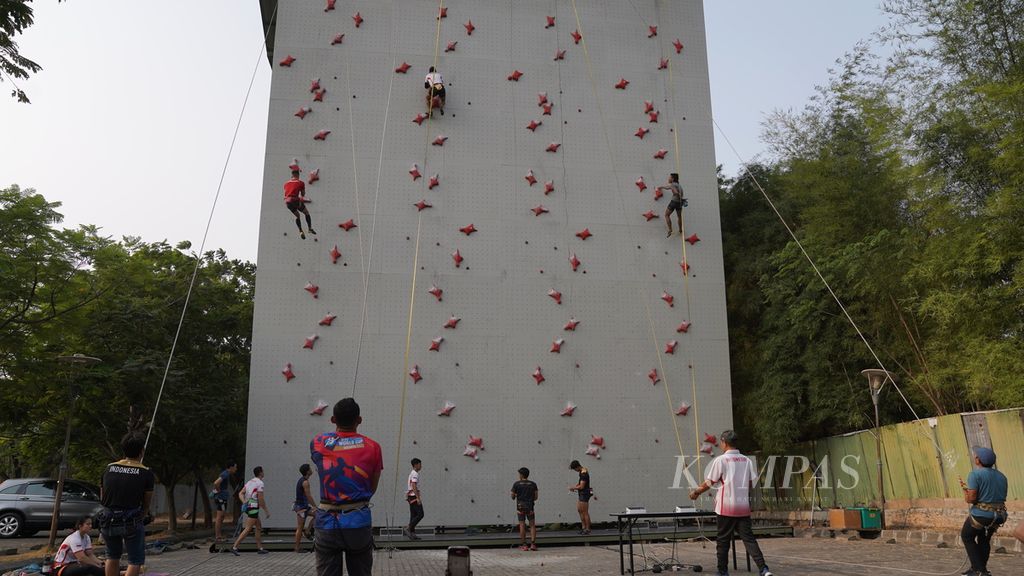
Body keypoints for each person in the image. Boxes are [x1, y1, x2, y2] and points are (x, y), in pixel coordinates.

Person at [310, 398, 383, 576]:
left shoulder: (319, 442)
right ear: (359, 420)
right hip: (358, 520)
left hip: (327, 521)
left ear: (333, 419)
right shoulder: (373, 447)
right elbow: (372, 487)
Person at [689, 430, 773, 576]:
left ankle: (723, 571)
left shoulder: (721, 460)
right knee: (749, 540)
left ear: (724, 442)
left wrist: (696, 492)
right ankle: (764, 569)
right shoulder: (746, 460)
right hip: (743, 508)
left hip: (725, 508)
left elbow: (710, 482)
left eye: (721, 442)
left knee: (723, 541)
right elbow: (751, 483)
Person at [99, 431, 154, 576]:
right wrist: (143, 514)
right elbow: (146, 501)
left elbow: (102, 495)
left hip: (107, 518)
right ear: (141, 451)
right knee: (135, 560)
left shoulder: (109, 468)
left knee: (112, 556)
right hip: (131, 520)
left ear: (123, 449)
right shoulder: (146, 472)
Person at [959, 446, 1008, 576]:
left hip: (982, 515)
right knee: (984, 540)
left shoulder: (975, 474)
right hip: (999, 515)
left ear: (978, 460)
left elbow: (972, 499)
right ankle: (981, 570)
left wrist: (966, 494)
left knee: (967, 536)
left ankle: (978, 570)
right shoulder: (1002, 476)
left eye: (975, 456)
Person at [231, 466, 270, 556]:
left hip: (249, 506)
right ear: (260, 473)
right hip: (254, 507)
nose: (264, 473)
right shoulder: (260, 483)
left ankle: (260, 548)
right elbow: (260, 499)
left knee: (259, 527)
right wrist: (266, 510)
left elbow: (240, 493)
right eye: (263, 471)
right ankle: (234, 547)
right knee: (248, 528)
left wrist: (244, 501)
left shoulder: (250, 482)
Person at [510, 467, 539, 551]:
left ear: (521, 475)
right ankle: (533, 544)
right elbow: (536, 497)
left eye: (519, 474)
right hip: (530, 507)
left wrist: (516, 495)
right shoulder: (533, 484)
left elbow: (512, 496)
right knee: (532, 525)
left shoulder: (516, 484)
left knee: (522, 525)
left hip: (520, 508)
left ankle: (524, 545)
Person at [284, 169, 316, 239]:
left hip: (287, 202)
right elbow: (303, 194)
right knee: (306, 213)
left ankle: (300, 231)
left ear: (292, 175)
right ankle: (310, 228)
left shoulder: (286, 183)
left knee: (297, 216)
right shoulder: (300, 182)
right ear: (298, 175)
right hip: (295, 200)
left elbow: (286, 193)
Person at [211, 461, 237, 544]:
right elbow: (216, 483)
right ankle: (218, 537)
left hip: (223, 497)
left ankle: (219, 535)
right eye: (235, 467)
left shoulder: (227, 474)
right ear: (231, 467)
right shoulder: (225, 474)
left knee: (222, 517)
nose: (236, 469)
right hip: (221, 498)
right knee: (220, 516)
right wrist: (219, 491)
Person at [294, 463, 316, 552]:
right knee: (300, 527)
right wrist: (315, 506)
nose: (311, 470)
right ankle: (297, 547)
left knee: (318, 515)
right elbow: (308, 496)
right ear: (307, 471)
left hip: (304, 507)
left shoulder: (303, 480)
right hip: (301, 508)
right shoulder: (305, 482)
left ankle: (307, 531)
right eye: (310, 469)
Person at [657, 173, 687, 237]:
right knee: (679, 217)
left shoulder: (673, 184)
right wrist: (662, 187)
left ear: (672, 179)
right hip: (679, 203)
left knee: (666, 215)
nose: (668, 178)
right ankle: (680, 230)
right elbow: (668, 187)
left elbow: (674, 191)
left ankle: (670, 230)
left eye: (669, 177)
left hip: (674, 202)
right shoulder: (678, 185)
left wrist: (677, 193)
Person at [568, 460, 592, 535]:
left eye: (575, 469)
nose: (575, 470)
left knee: (585, 512)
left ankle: (587, 529)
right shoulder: (581, 472)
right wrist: (575, 487)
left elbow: (582, 486)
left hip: (584, 494)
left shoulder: (583, 473)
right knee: (579, 510)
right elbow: (580, 484)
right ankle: (583, 527)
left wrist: (573, 488)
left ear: (577, 467)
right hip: (582, 493)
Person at [404, 458, 423, 540]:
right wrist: (418, 498)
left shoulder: (412, 473)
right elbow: (414, 485)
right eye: (420, 464)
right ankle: (408, 527)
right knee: (420, 514)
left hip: (410, 496)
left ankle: (412, 534)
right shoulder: (415, 474)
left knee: (413, 515)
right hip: (413, 496)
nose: (421, 466)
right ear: (415, 465)